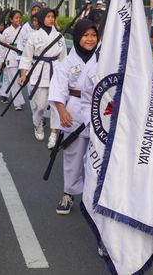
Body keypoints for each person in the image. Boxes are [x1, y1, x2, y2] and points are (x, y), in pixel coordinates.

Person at [48, 19, 99, 215]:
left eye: (93, 35)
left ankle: (92, 196)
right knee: (73, 156)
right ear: (78, 37)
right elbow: (59, 87)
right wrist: (62, 111)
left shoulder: (102, 58)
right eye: (85, 35)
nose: (89, 39)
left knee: (96, 157)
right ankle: (68, 193)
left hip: (98, 111)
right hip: (74, 110)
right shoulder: (68, 62)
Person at [19, 7, 67, 148]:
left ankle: (53, 134)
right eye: (48, 16)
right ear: (41, 19)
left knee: (56, 105)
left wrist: (66, 78)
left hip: (56, 72)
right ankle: (37, 123)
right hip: (38, 72)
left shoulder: (59, 37)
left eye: (53, 16)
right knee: (39, 106)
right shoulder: (34, 36)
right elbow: (26, 57)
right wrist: (23, 74)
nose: (51, 19)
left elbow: (64, 59)